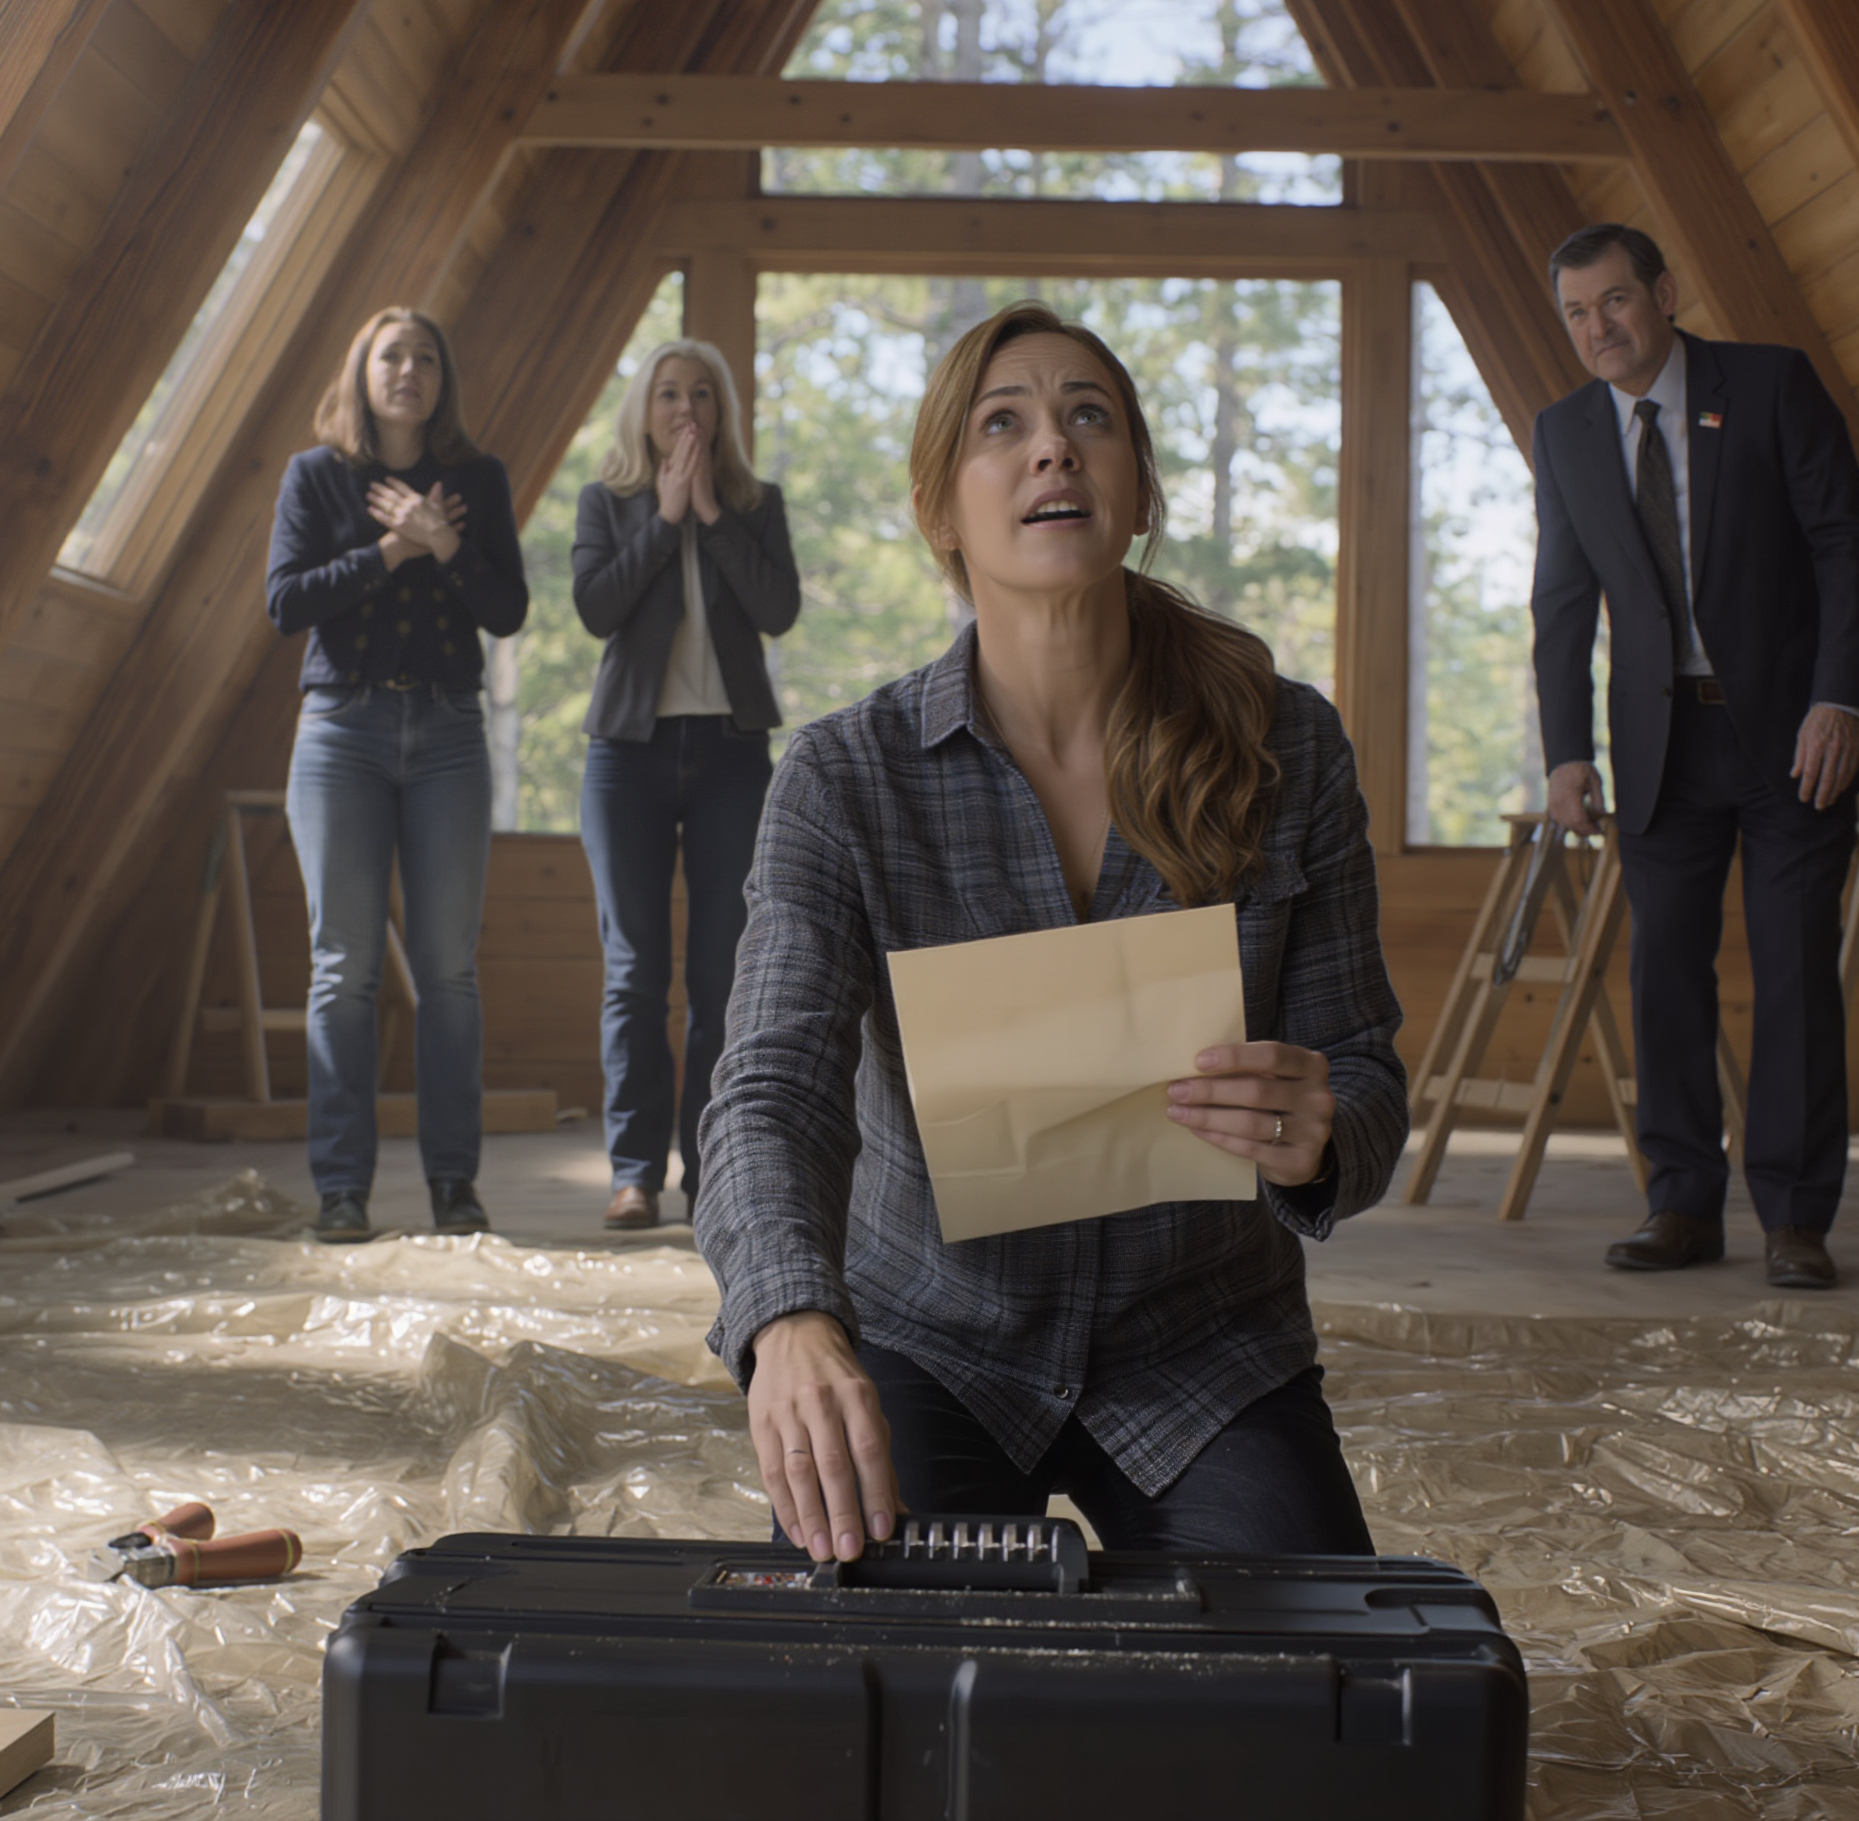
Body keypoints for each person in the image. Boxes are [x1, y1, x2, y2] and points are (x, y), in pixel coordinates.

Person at [694, 302, 1408, 1564]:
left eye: (1090, 416)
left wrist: (1318, 1137)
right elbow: (768, 1090)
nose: (1052, 448)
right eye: (1002, 424)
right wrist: (789, 1320)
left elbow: (1358, 1066)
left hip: (1206, 1350)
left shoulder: (1288, 745)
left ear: (1136, 490)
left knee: (1300, 1707)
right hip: (935, 1335)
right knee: (868, 1696)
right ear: (939, 507)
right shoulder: (843, 778)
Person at [1531, 225, 1859, 1289]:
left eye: (1613, 302)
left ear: (1664, 293)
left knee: (1790, 971)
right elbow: (1560, 601)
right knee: (1662, 975)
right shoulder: (1563, 433)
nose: (1598, 327)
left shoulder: (1770, 385)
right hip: (1658, 746)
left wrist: (1840, 698)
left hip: (1790, 735)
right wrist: (1563, 750)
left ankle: (1793, 1215)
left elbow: (1846, 542)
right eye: (1576, 313)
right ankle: (1680, 1201)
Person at [266, 307, 529, 1244]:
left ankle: (454, 1185)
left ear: (442, 378)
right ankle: (342, 1191)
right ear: (363, 372)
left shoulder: (477, 479)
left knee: (449, 972)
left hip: (452, 732)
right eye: (392, 356)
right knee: (343, 970)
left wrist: (444, 539)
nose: (409, 369)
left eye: (425, 357)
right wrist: (391, 547)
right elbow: (285, 602)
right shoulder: (316, 475)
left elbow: (508, 610)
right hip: (342, 730)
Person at [573, 340, 800, 1230]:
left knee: (721, 973)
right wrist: (664, 519)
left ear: (720, 412)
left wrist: (708, 512)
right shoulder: (609, 500)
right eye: (669, 393)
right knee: (633, 972)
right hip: (626, 757)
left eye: (701, 394)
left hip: (731, 757)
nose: (685, 409)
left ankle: (711, 1171)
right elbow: (597, 611)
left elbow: (777, 612)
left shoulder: (754, 504)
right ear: (645, 407)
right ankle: (633, 1173)